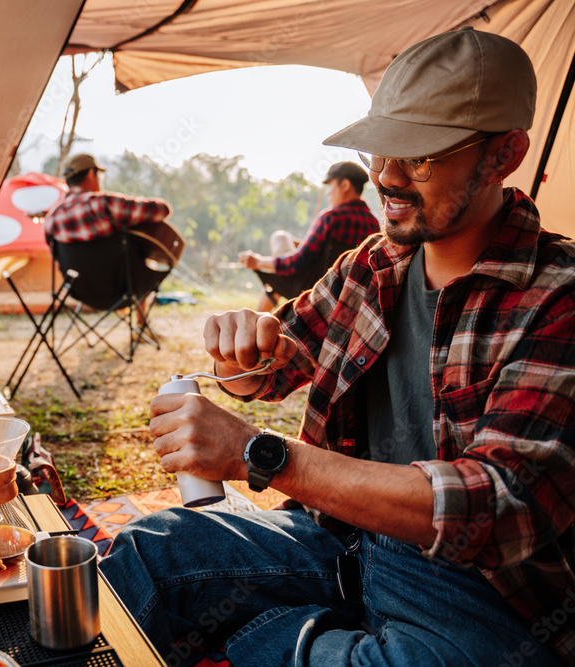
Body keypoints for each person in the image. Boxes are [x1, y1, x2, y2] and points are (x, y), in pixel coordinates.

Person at [99, 27, 574, 667]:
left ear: (504, 155)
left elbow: (496, 505)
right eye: (379, 151)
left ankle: (274, 637)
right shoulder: (373, 266)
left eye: (421, 156)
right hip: (337, 540)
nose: (387, 177)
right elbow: (270, 367)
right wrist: (237, 355)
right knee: (151, 549)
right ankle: (312, 637)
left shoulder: (556, 297)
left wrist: (257, 455)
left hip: (475, 591)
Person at [239, 161, 379, 311]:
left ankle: (256, 326)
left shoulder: (330, 218)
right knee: (287, 244)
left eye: (330, 186)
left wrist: (258, 261)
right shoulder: (374, 223)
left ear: (345, 185)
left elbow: (297, 263)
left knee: (280, 237)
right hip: (349, 292)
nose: (327, 192)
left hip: (313, 287)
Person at [42, 153, 172, 243]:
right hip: (116, 282)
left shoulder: (50, 221)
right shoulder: (104, 204)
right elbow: (162, 209)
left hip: (79, 283)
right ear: (91, 173)